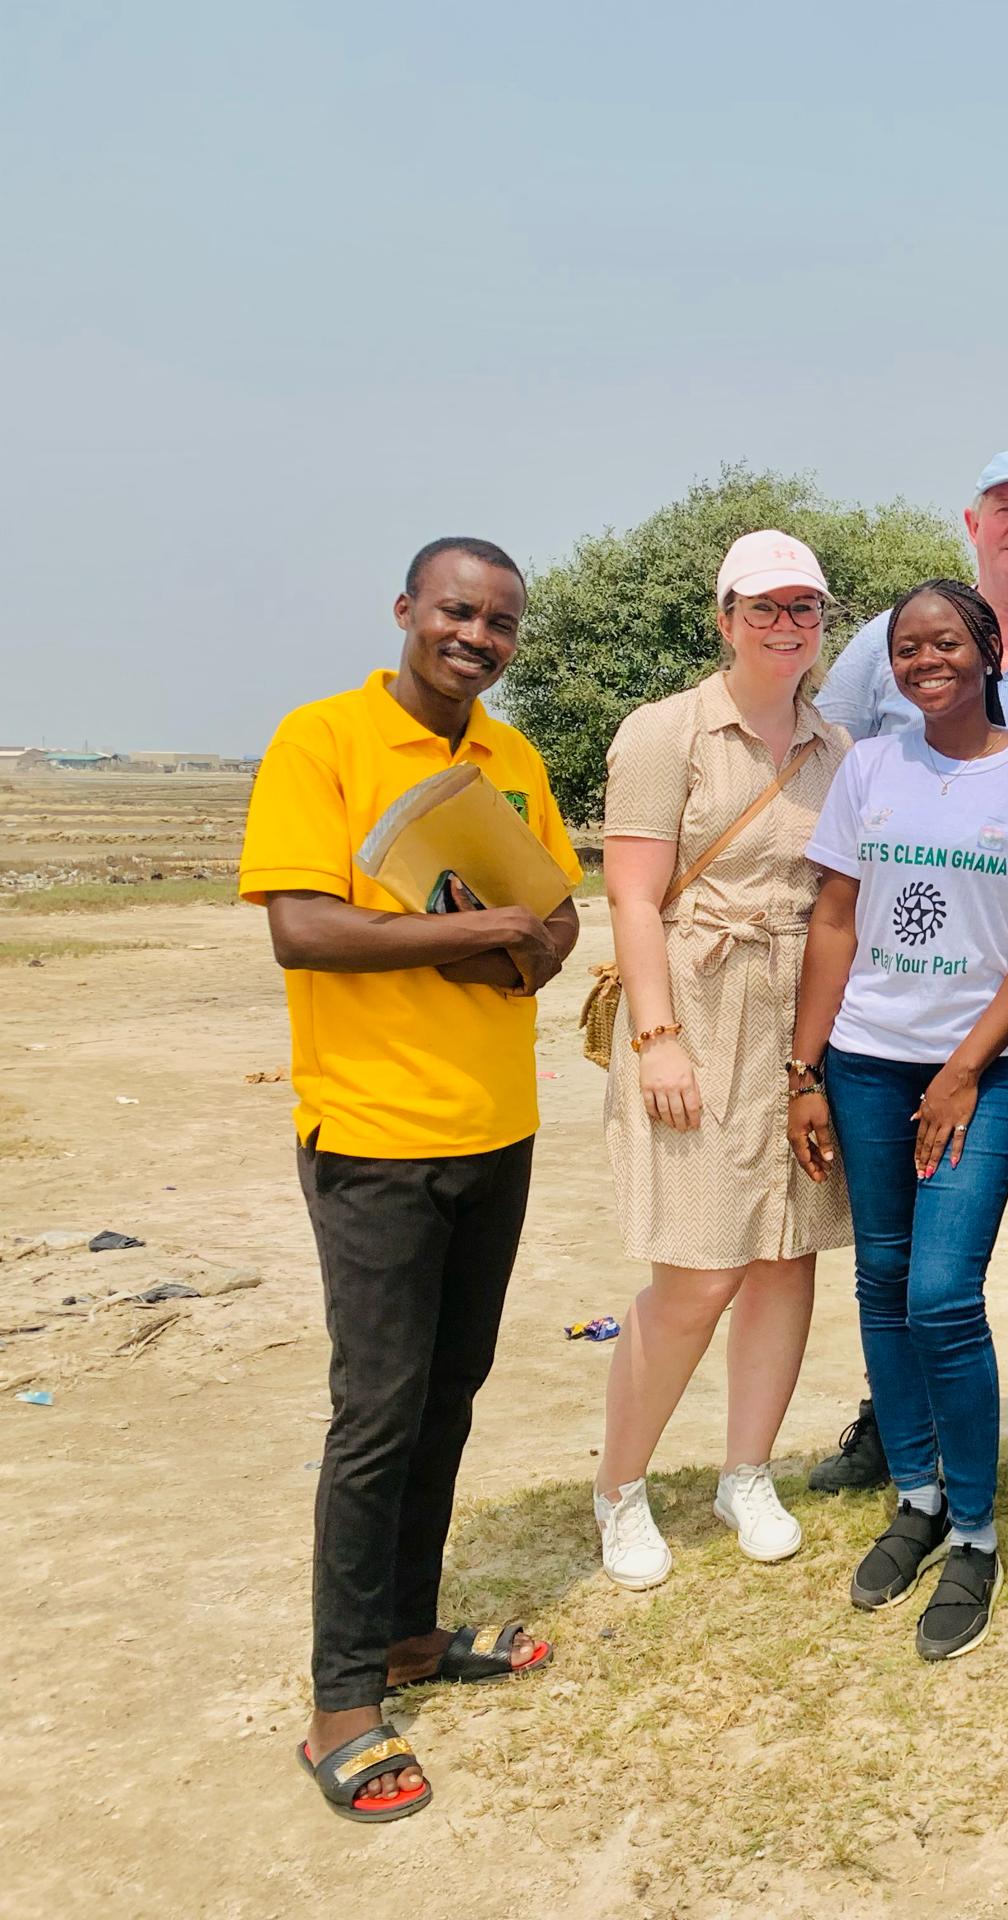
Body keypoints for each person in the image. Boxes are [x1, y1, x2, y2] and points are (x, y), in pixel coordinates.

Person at [241, 536, 582, 1823]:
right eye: (457, 611)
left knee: (449, 1393)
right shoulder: (321, 740)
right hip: (375, 1136)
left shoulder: (511, 760)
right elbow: (301, 926)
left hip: (498, 1127)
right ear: (406, 609)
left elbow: (555, 914)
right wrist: (478, 929)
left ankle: (407, 1636)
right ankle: (341, 1703)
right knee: (376, 1414)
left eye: (500, 622)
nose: (477, 637)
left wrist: (525, 947)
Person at [809, 449, 1008, 1490]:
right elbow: (833, 760)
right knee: (906, 1252)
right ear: (973, 523)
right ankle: (894, 1417)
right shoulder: (881, 644)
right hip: (902, 1006)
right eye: (1005, 509)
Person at [789, 579, 1008, 1661]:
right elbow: (835, 919)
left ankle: (977, 1533)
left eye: (945, 641)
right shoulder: (869, 766)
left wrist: (963, 1069)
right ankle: (917, 1496)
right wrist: (804, 1070)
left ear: (988, 649)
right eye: (907, 647)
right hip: (866, 1059)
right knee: (882, 1278)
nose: (924, 661)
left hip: (987, 1069)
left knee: (944, 1294)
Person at [590, 530, 852, 1590]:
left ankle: (747, 1471)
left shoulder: (835, 748)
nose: (785, 626)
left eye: (803, 608)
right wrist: (657, 1040)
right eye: (764, 607)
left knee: (786, 1257)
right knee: (698, 1272)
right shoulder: (667, 734)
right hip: (696, 1007)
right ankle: (620, 1486)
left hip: (797, 1018)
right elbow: (631, 899)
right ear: (725, 618)